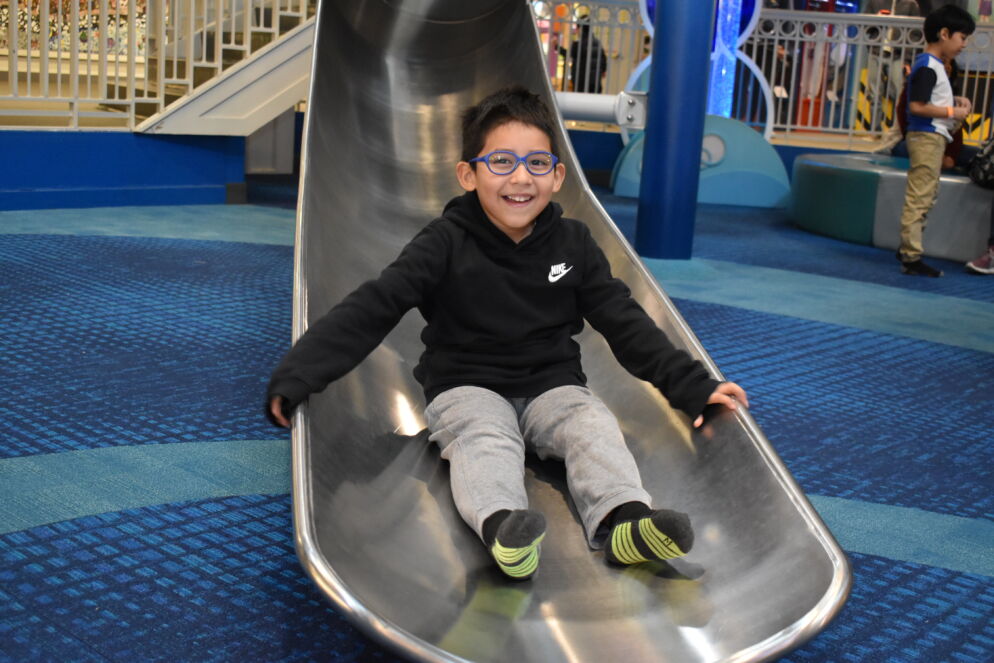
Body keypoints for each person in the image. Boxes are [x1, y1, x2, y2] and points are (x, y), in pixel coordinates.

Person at [266, 87, 748, 580]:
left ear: (558, 176)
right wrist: (301, 372)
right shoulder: (443, 243)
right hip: (465, 385)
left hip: (552, 385)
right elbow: (376, 304)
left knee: (593, 427)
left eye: (538, 163)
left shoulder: (573, 244)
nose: (520, 178)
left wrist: (693, 387)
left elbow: (624, 321)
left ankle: (624, 521)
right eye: (501, 162)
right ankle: (503, 528)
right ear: (468, 174)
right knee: (484, 438)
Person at [895, 4, 974, 277]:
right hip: (926, 137)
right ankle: (911, 255)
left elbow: (930, 102)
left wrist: (954, 103)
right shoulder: (928, 66)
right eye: (962, 38)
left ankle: (909, 248)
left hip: (933, 136)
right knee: (920, 196)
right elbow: (916, 106)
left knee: (926, 194)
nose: (963, 45)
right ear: (944, 33)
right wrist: (953, 111)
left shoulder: (935, 66)